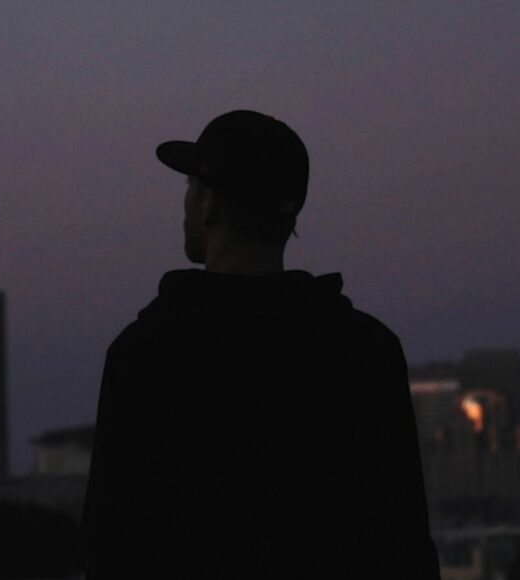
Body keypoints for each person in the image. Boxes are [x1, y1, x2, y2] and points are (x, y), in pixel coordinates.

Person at [80, 110, 440, 578]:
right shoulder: (366, 350)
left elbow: (113, 544)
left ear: (207, 204)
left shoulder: (148, 353)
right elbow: (404, 541)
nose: (184, 203)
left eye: (190, 187)